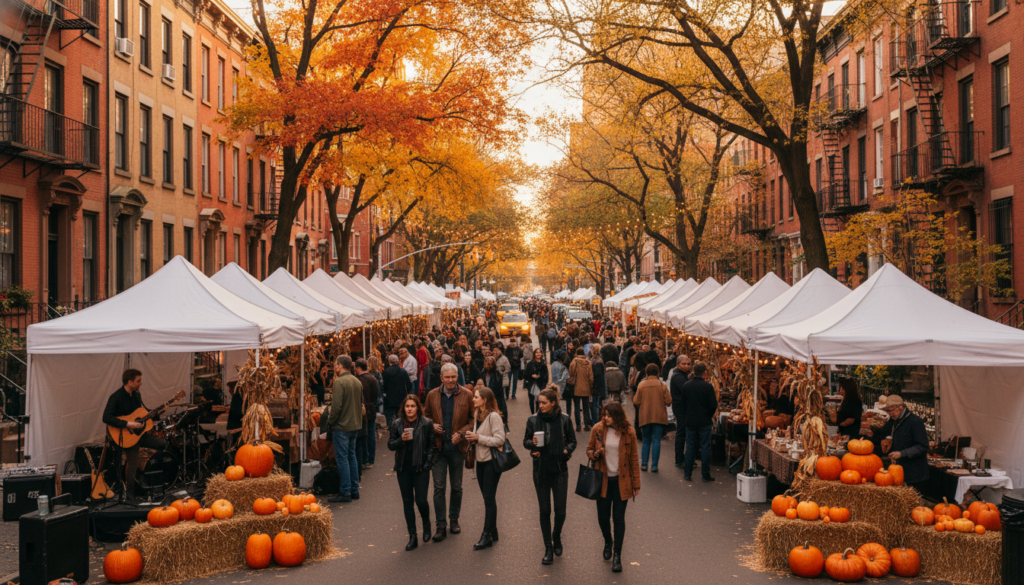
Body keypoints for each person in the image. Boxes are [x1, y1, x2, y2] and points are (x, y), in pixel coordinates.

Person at [524, 387, 576, 565]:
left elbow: (572, 440)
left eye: (544, 403)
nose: (540, 406)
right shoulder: (532, 420)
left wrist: (566, 450)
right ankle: (548, 548)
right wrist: (533, 446)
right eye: (539, 402)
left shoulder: (564, 420)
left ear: (553, 403)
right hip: (540, 470)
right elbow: (526, 441)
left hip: (560, 469)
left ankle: (557, 535)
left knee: (560, 511)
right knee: (545, 510)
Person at [586, 402, 640, 573]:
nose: (605, 418)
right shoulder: (598, 429)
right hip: (602, 481)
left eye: (609, 415)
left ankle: (617, 555)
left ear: (617, 416)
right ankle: (607, 540)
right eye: (604, 414)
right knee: (603, 518)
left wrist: (636, 484)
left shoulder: (628, 432)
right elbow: (588, 449)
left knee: (618, 518)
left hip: (621, 481)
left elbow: (633, 459)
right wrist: (595, 454)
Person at [422, 363, 474, 541]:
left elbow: (473, 419)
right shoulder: (432, 395)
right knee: (438, 487)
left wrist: (461, 434)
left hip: (458, 448)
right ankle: (441, 524)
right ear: (441, 378)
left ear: (457, 377)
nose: (451, 380)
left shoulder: (467, 395)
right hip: (438, 448)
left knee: (457, 487)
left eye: (454, 377)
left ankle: (454, 519)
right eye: (448, 377)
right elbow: (426, 415)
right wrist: (431, 425)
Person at [102, 369, 170, 496]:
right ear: (130, 382)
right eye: (138, 381)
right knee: (132, 461)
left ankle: (153, 478)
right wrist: (128, 424)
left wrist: (158, 412)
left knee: (163, 444)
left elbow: (142, 413)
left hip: (139, 434)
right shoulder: (116, 397)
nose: (140, 383)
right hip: (125, 436)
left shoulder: (136, 395)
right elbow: (106, 417)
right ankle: (130, 492)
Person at [388, 395, 438, 551]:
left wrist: (427, 465)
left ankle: (426, 523)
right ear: (403, 408)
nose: (409, 409)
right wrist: (401, 440)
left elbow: (432, 446)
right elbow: (390, 445)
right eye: (407, 406)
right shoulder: (397, 424)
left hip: (420, 468)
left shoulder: (426, 423)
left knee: (421, 500)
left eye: (412, 406)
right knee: (407, 502)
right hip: (403, 469)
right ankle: (413, 536)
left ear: (418, 408)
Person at [467, 387, 506, 551]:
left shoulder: (494, 416)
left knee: (489, 499)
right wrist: (472, 438)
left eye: (476, 397)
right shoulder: (478, 414)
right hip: (481, 461)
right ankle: (493, 530)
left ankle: (486, 536)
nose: (473, 399)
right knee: (488, 498)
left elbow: (500, 440)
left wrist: (478, 438)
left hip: (492, 462)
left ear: (485, 399)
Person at [328, 356, 364, 502]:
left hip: (342, 426)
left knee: (342, 459)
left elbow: (336, 406)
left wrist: (331, 421)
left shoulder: (339, 382)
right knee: (351, 456)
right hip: (354, 424)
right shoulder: (357, 381)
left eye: (335, 365)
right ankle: (354, 489)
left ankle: (345, 492)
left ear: (339, 366)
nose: (335, 368)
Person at [678, 362, 718, 482]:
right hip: (704, 421)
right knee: (705, 447)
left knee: (690, 446)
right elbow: (713, 405)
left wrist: (687, 414)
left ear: (693, 372)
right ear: (704, 373)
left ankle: (687, 473)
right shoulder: (708, 387)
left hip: (691, 420)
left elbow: (682, 403)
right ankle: (705, 474)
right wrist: (708, 415)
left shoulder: (686, 386)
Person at [880, 395, 930, 491]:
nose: (889, 413)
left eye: (891, 410)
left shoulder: (914, 422)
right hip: (900, 472)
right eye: (887, 411)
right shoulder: (894, 420)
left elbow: (923, 446)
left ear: (900, 408)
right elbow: (885, 433)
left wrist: (901, 453)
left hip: (915, 474)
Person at [633, 364, 672, 472]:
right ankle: (654, 465)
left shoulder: (641, 385)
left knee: (646, 440)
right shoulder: (662, 385)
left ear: (646, 373)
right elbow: (668, 401)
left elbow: (636, 401)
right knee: (656, 440)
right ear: (658, 373)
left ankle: (644, 464)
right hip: (658, 416)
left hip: (645, 416)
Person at [354, 359, 379, 469]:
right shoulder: (373, 378)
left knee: (365, 434)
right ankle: (371, 457)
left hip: (365, 410)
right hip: (372, 407)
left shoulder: (361, 380)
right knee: (371, 432)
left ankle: (366, 458)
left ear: (358, 368)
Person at [668, 355, 692, 468]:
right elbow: (686, 390)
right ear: (678, 365)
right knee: (681, 433)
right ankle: (679, 459)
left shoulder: (683, 375)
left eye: (688, 364)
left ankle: (685, 457)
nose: (687, 366)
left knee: (684, 433)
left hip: (684, 408)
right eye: (684, 364)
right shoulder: (678, 377)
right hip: (680, 408)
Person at [382, 355, 414, 428]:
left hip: (389, 397)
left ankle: (390, 429)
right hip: (401, 397)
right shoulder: (403, 371)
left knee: (389, 416)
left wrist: (384, 394)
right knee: (400, 416)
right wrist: (407, 393)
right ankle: (399, 429)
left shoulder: (386, 372)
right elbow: (409, 385)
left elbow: (384, 385)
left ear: (389, 361)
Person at [568, 348, 594, 432]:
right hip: (586, 388)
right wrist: (591, 386)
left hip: (576, 388)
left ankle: (578, 425)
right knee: (586, 407)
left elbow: (570, 372)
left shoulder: (574, 361)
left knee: (577, 407)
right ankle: (586, 425)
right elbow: (591, 377)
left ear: (576, 353)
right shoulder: (588, 363)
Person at [481, 356, 508, 423]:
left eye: (490, 364)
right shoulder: (482, 373)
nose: (488, 366)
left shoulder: (497, 375)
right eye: (487, 364)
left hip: (495, 399)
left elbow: (500, 392)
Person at [523, 348, 550, 414]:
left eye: (539, 352)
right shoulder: (530, 364)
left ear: (542, 354)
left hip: (540, 384)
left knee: (539, 400)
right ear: (534, 354)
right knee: (531, 400)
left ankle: (538, 413)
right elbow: (525, 375)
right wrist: (531, 376)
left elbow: (546, 375)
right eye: (537, 352)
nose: (538, 354)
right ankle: (533, 414)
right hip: (531, 384)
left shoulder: (543, 364)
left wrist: (544, 383)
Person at [589, 345, 607, 424]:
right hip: (598, 388)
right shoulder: (598, 360)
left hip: (596, 389)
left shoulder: (596, 362)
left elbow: (597, 377)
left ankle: (595, 422)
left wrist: (593, 388)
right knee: (595, 405)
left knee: (595, 405)